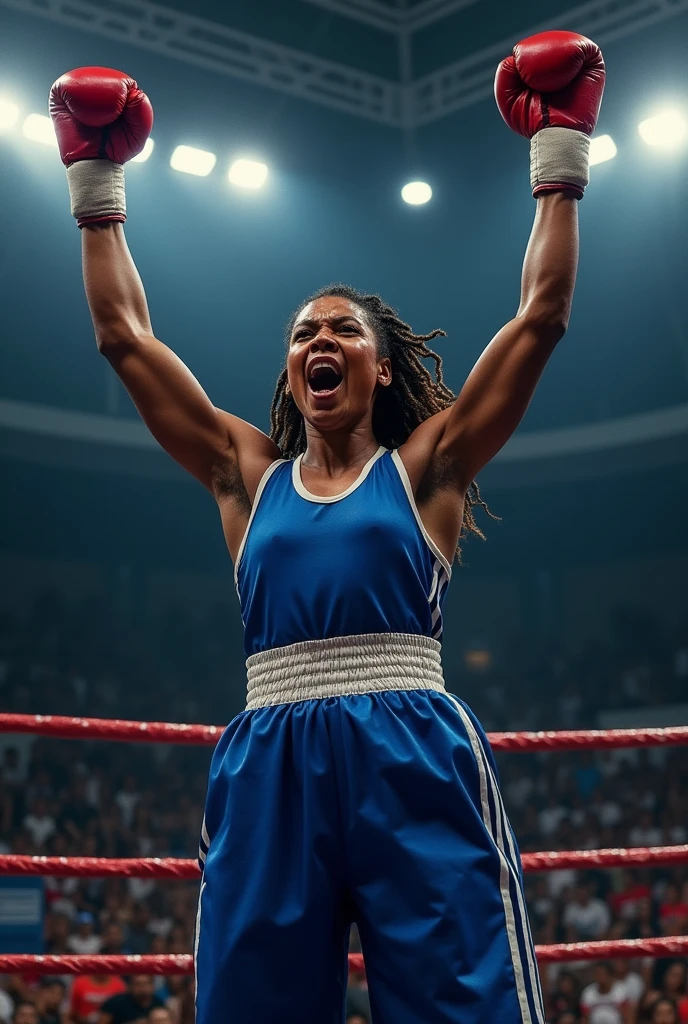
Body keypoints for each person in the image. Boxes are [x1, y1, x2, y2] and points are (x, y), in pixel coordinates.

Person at [49, 27, 605, 1024]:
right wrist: (96, 181)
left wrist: (558, 158)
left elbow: (542, 318)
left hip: (412, 748)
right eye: (303, 330)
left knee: (463, 1008)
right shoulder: (241, 475)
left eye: (341, 327)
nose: (319, 339)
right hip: (270, 757)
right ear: (291, 370)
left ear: (380, 365)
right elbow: (122, 337)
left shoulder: (427, 466)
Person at [97, 977, 163, 1024]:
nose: (143, 988)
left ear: (153, 986)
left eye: (147, 983)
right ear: (130, 986)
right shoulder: (115, 1003)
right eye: (138, 984)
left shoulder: (158, 1003)